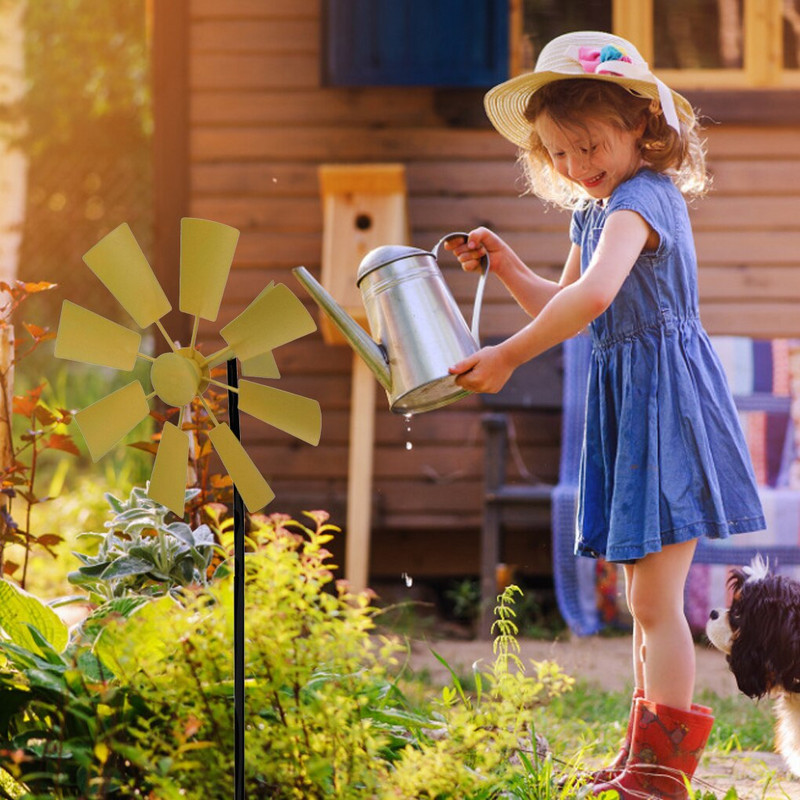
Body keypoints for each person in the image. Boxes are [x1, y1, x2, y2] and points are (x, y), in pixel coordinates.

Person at [446, 30, 765, 799]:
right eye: (559, 153)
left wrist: (508, 356)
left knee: (658, 605)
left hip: (669, 409)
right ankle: (639, 759)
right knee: (640, 601)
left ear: (641, 128)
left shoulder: (644, 198)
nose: (576, 165)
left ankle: (663, 775)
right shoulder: (593, 213)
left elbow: (594, 295)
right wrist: (507, 263)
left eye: (589, 145)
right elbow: (570, 303)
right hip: (631, 409)